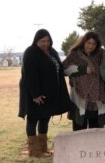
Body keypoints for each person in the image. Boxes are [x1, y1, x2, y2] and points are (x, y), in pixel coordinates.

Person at [18, 29, 74, 157]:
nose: (45, 43)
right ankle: (34, 151)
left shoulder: (52, 52)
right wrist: (35, 95)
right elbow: (30, 75)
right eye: (42, 41)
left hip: (49, 94)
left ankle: (43, 149)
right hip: (35, 95)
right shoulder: (30, 52)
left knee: (44, 119)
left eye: (48, 40)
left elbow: (58, 69)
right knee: (32, 120)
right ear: (36, 41)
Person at [62, 31, 105, 131]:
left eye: (94, 44)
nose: (91, 46)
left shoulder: (102, 54)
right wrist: (81, 70)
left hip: (98, 98)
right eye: (89, 43)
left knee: (96, 132)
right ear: (84, 42)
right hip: (80, 99)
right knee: (79, 131)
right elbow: (64, 69)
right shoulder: (75, 54)